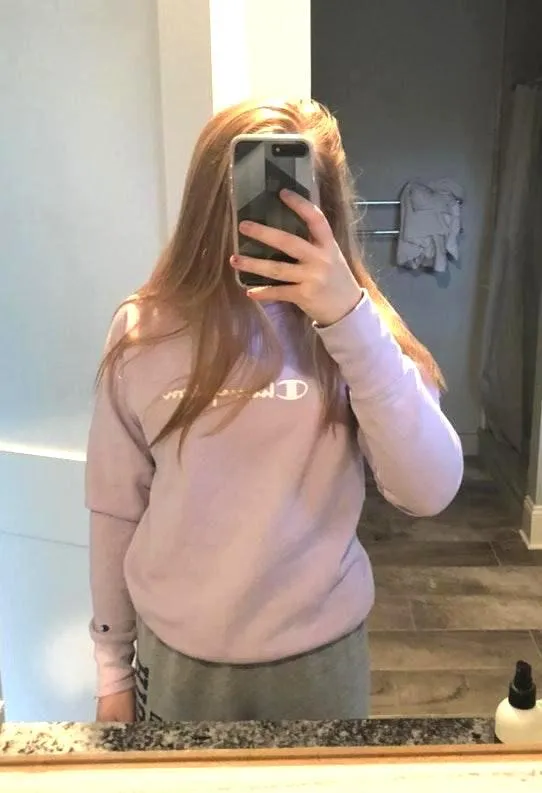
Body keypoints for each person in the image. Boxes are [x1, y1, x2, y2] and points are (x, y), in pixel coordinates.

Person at [86, 99, 463, 724]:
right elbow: (116, 508)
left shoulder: (359, 333)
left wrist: (346, 320)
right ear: (212, 203)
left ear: (326, 207)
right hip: (175, 656)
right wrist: (111, 672)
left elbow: (429, 491)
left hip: (317, 659)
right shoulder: (143, 330)